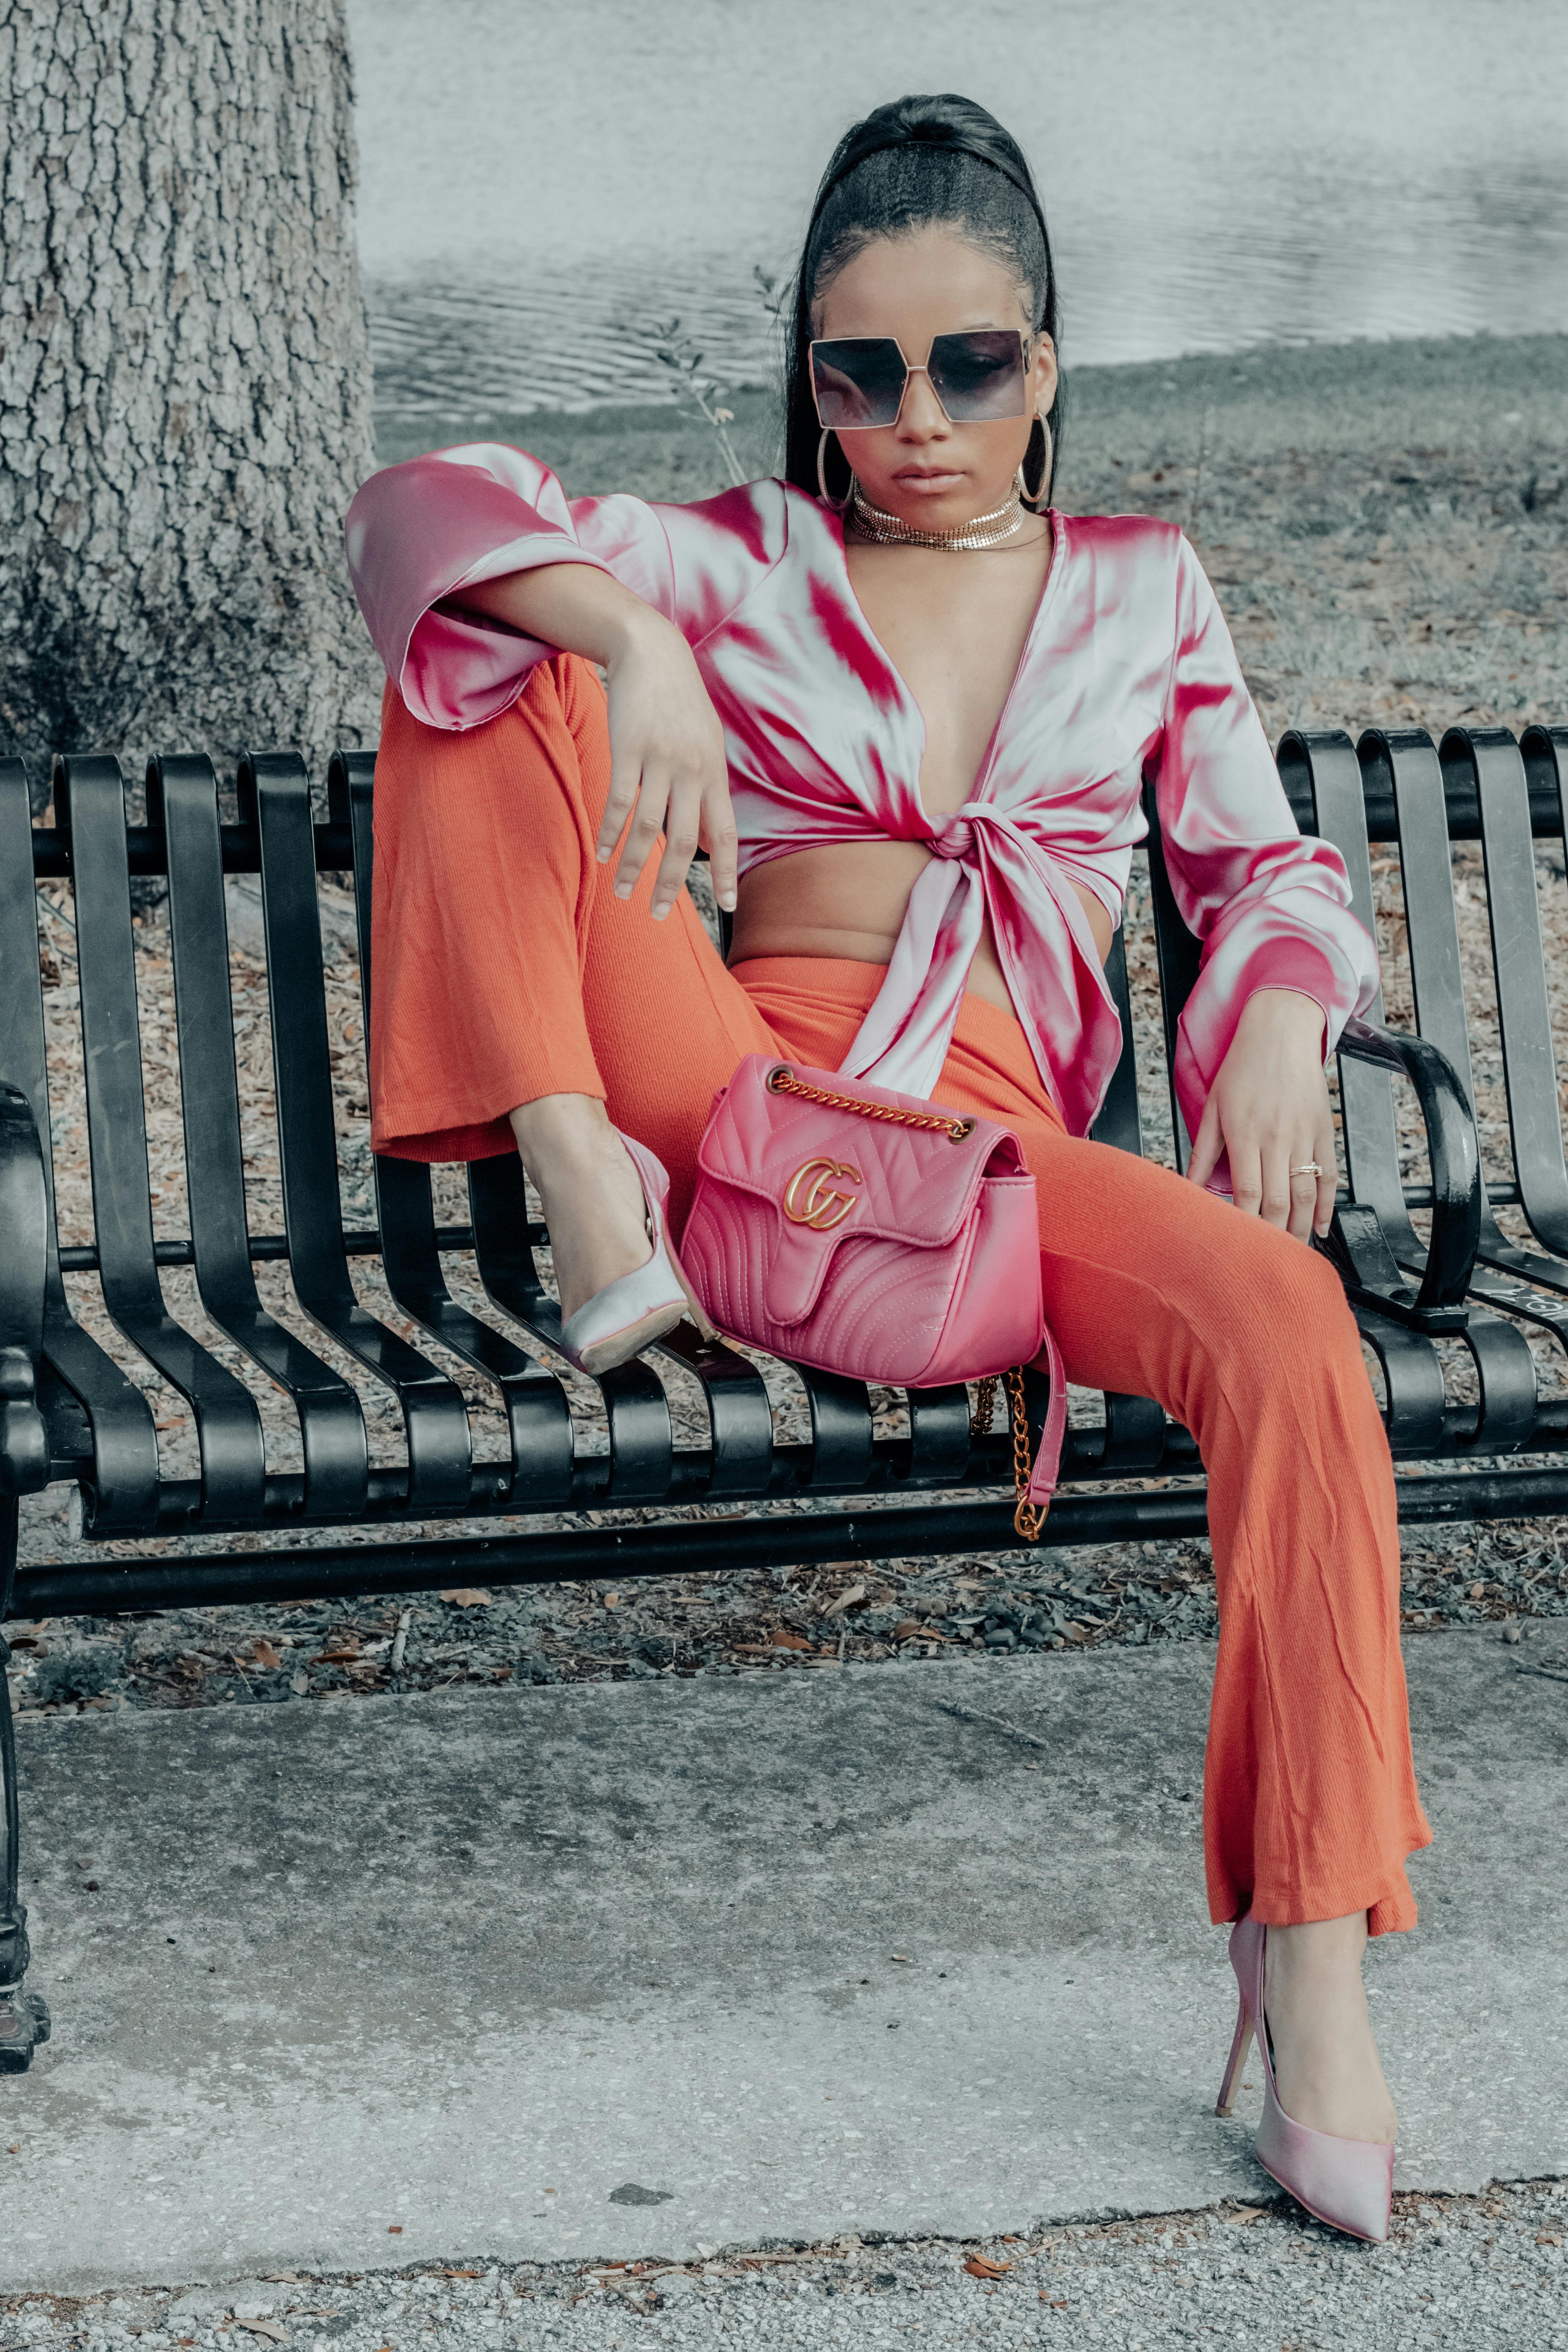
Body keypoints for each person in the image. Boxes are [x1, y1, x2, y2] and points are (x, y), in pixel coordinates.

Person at [345, 93, 1429, 2239]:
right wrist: (641, 645)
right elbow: (405, 513)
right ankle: (574, 1182)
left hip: (985, 1184)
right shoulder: (744, 559)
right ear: (812, 376)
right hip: (714, 1108)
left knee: (1296, 1332)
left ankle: (1308, 1964)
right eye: (864, 370)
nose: (917, 419)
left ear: (1051, 361)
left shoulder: (1144, 593)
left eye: (973, 365)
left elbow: (1260, 855)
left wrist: (1288, 1000)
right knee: (489, 653)